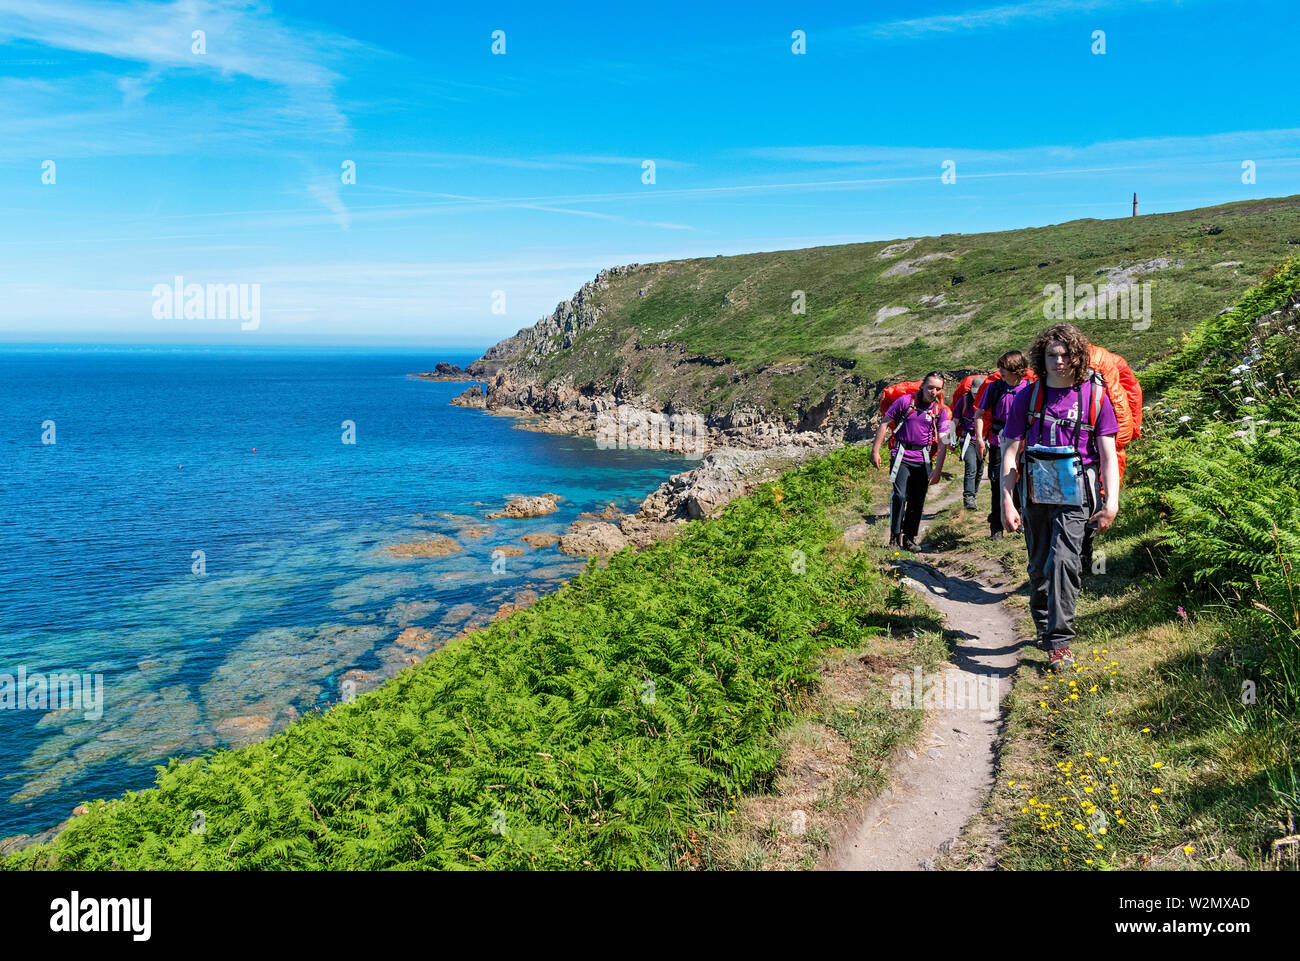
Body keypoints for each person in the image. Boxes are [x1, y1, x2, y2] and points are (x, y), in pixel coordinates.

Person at [999, 324, 1120, 672]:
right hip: (1035, 491)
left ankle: (1059, 643)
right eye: (1052, 354)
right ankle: (1043, 625)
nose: (1059, 361)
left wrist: (1111, 502)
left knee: (1064, 561)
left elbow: (1107, 454)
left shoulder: (1095, 398)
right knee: (1039, 567)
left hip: (1077, 491)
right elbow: (1010, 450)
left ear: (1078, 357)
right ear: (1042, 357)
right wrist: (1007, 501)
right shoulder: (1028, 396)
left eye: (1066, 355)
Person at [871, 372, 950, 552]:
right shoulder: (905, 402)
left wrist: (938, 470)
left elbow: (944, 440)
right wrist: (875, 451)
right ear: (922, 386)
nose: (933, 392)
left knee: (917, 498)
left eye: (938, 389)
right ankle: (894, 535)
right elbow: (884, 423)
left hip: (923, 458)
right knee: (899, 496)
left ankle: (909, 538)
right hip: (901, 455)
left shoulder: (939, 411)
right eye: (930, 387)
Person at [975, 351, 1030, 539]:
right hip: (999, 441)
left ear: (1016, 369)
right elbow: (980, 415)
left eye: (1004, 368)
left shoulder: (1030, 389)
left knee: (1022, 482)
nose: (1000, 372)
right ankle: (996, 527)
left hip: (1024, 443)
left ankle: (1019, 519)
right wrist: (980, 439)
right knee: (998, 482)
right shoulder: (995, 388)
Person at [951, 375, 986, 510]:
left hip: (983, 440)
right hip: (967, 439)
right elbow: (955, 420)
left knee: (979, 470)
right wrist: (950, 438)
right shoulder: (964, 401)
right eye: (974, 392)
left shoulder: (988, 401)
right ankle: (969, 498)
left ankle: (974, 495)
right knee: (971, 467)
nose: (976, 395)